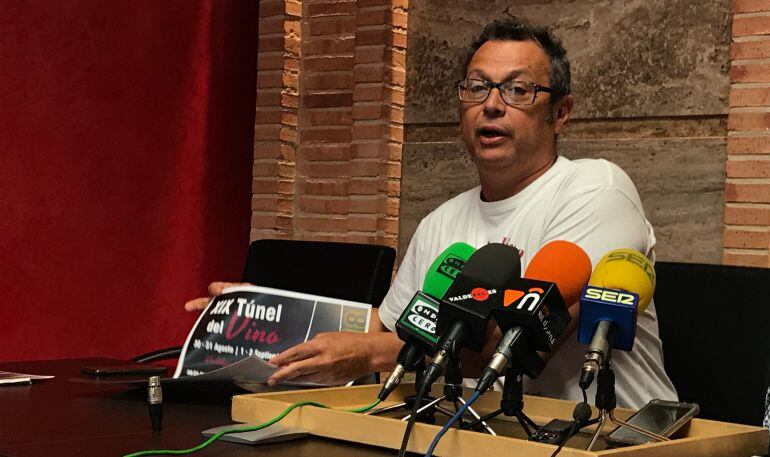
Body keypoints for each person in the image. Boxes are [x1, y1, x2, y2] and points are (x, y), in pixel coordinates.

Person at [186, 19, 677, 409]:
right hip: (479, 434)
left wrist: (376, 353)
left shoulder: (596, 188)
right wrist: (270, 315)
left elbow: (518, 343)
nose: (492, 106)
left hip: (613, 438)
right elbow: (390, 330)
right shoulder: (441, 222)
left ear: (561, 111)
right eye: (477, 88)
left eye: (517, 90)